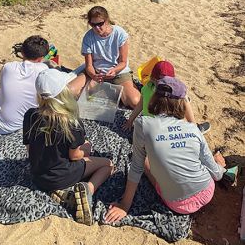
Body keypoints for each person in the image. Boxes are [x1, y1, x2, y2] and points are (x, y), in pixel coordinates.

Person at [105, 76, 226, 222]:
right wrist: (221, 167)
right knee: (193, 155)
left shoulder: (143, 124)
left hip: (177, 204)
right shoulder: (194, 130)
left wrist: (125, 205)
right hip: (206, 193)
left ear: (154, 97)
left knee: (145, 161)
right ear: (183, 103)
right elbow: (216, 174)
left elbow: (136, 167)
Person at [23, 69, 114, 226]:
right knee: (108, 165)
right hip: (60, 175)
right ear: (63, 92)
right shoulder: (70, 122)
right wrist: (87, 147)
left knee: (63, 162)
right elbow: (75, 156)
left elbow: (30, 150)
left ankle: (61, 193)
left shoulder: (30, 115)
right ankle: (88, 190)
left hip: (37, 175)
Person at [124, 60, 211, 134]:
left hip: (149, 125)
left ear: (152, 77)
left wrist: (130, 120)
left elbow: (140, 105)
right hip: (166, 128)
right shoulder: (170, 92)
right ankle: (195, 128)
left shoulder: (147, 87)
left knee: (183, 100)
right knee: (184, 100)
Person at [81, 6, 140, 109]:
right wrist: (94, 75)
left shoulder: (119, 33)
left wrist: (114, 70)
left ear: (107, 20)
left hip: (118, 72)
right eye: (93, 25)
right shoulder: (88, 37)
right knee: (77, 93)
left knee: (135, 102)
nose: (97, 28)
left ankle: (126, 88)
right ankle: (118, 93)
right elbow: (89, 65)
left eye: (100, 24)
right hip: (98, 73)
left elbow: (123, 62)